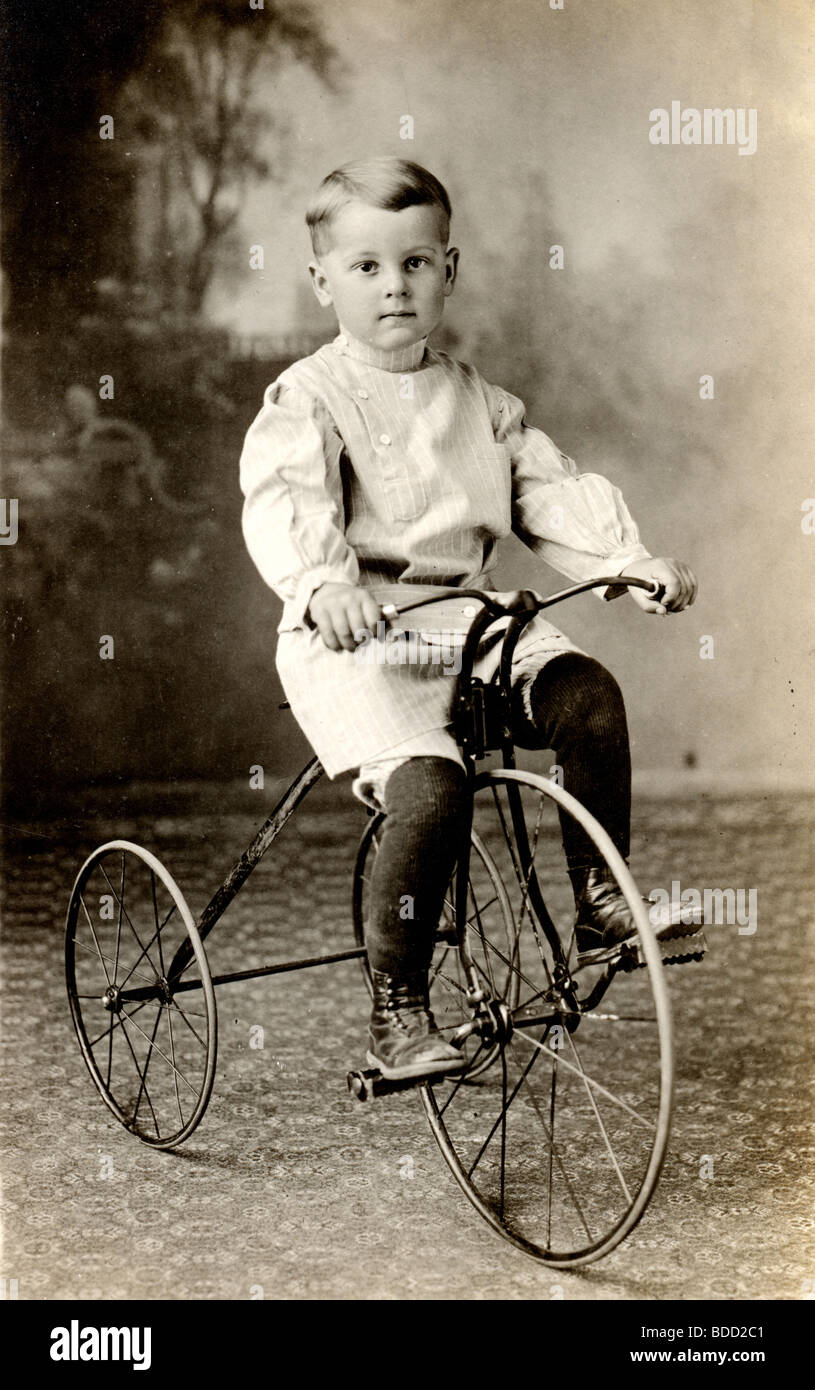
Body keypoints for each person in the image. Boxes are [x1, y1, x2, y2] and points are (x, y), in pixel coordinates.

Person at [239, 156, 699, 1081]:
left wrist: (624, 561)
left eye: (415, 263)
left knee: (587, 695)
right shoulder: (310, 397)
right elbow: (287, 500)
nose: (394, 286)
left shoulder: (478, 401)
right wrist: (323, 586)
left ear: (448, 270)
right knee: (432, 791)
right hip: (358, 638)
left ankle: (599, 899)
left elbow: (548, 490)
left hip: (466, 625)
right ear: (322, 278)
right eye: (366, 267)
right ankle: (397, 1011)